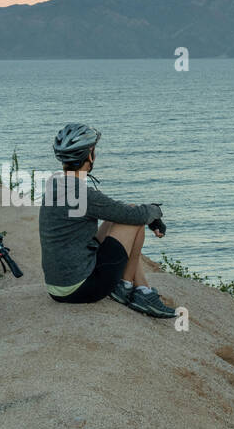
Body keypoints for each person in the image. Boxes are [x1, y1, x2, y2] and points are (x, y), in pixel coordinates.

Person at [38, 123, 176, 318]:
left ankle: (141, 289)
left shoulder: (55, 185)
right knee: (134, 219)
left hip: (57, 287)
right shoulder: (83, 194)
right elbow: (135, 217)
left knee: (128, 212)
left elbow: (118, 210)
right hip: (81, 288)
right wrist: (156, 212)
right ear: (90, 155)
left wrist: (145, 214)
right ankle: (126, 286)